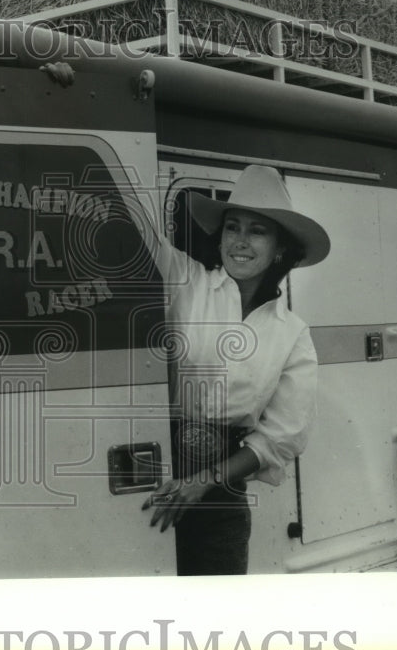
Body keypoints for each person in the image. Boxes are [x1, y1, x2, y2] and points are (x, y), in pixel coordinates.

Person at [141, 164, 330, 575]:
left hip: (222, 496)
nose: (240, 242)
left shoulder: (292, 333)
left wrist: (202, 482)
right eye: (232, 228)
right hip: (156, 484)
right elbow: (135, 232)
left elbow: (283, 436)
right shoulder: (185, 282)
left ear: (280, 247)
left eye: (256, 231)